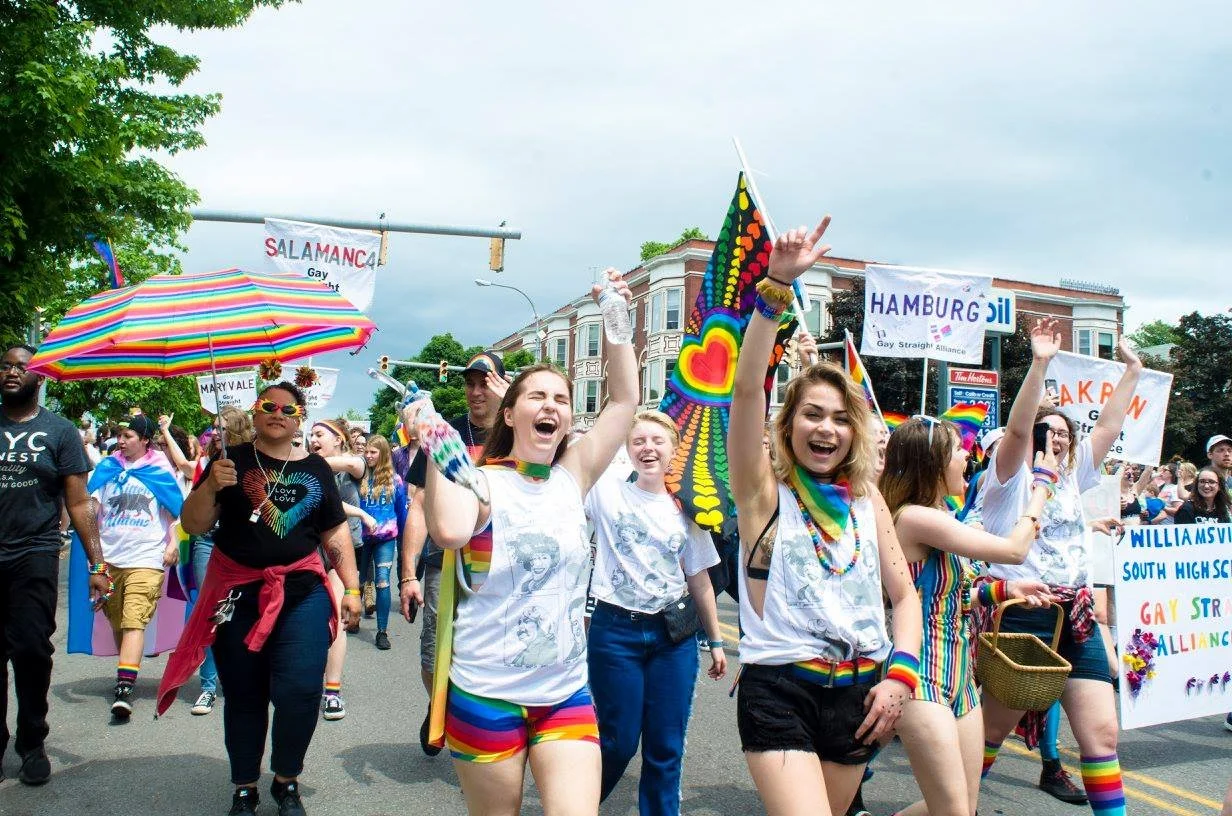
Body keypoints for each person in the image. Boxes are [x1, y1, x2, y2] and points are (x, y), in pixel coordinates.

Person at [414, 269, 637, 816]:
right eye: (537, 396)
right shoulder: (481, 480)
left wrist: (614, 315)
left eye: (561, 399)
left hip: (565, 692)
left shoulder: (574, 474)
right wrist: (439, 443)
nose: (553, 406)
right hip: (485, 693)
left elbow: (625, 398)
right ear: (509, 413)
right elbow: (449, 531)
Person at [727, 222, 922, 816]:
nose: (826, 429)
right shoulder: (763, 492)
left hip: (861, 694)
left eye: (840, 418)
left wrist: (900, 678)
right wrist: (777, 288)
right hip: (780, 690)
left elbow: (904, 597)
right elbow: (744, 393)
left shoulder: (867, 500)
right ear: (788, 426)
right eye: (812, 415)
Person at [163, 382, 362, 816]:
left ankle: (286, 780)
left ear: (299, 418)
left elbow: (334, 531)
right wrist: (210, 486)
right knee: (244, 695)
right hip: (237, 595)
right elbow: (194, 525)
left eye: (287, 409)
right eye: (268, 405)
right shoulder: (227, 461)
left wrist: (352, 587)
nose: (277, 413)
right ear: (254, 414)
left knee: (300, 691)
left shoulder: (317, 469)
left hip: (302, 595)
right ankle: (244, 787)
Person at [977, 317, 1142, 816]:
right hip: (1025, 613)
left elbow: (1110, 424)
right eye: (1048, 432)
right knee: (992, 731)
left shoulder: (1074, 477)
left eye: (1066, 433)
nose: (1058, 439)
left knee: (1101, 734)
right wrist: (1040, 364)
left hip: (1077, 615)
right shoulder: (1009, 478)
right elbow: (1023, 424)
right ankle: (955, 801)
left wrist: (1132, 371)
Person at [880, 416, 1056, 816]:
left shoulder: (942, 514)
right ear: (933, 462)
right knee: (955, 811)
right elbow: (1014, 551)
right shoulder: (913, 517)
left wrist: (1004, 590)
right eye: (959, 451)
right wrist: (1042, 485)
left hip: (960, 676)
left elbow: (953, 596)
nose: (968, 457)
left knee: (963, 805)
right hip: (920, 677)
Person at [585, 410, 727, 815]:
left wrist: (715, 640)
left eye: (657, 440)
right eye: (638, 441)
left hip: (672, 638)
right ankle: (575, 801)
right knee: (619, 740)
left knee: (666, 746)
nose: (648, 448)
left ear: (673, 448)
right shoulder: (606, 492)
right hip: (615, 633)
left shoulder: (688, 509)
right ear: (628, 450)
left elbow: (699, 578)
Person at [0, 344, 109, 785]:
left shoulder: (59, 431)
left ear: (38, 377)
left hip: (34, 554)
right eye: (4, 365)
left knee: (30, 650)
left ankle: (32, 740)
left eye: (20, 367)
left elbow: (79, 503)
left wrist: (97, 565)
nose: (10, 372)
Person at [401, 349, 509, 756]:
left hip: (500, 565)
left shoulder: (518, 435)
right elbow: (418, 503)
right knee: (434, 648)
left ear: (501, 383)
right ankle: (438, 701)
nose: (477, 390)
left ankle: (473, 718)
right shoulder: (445, 434)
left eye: (486, 381)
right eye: (470, 383)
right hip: (443, 561)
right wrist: (408, 574)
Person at [86, 413, 183, 719]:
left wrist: (173, 544)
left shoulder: (159, 469)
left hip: (147, 557)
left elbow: (178, 511)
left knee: (133, 621)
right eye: (120, 435)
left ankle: (124, 689)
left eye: (128, 436)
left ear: (144, 440)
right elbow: (91, 509)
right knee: (117, 621)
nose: (121, 441)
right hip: (110, 559)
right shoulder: (107, 468)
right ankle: (127, 671)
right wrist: (94, 560)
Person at [308, 417, 366, 721]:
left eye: (319, 434)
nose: (312, 439)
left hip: (343, 554)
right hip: (310, 549)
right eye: (310, 435)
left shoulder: (353, 465)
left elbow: (355, 465)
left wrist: (310, 463)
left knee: (338, 618)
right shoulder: (308, 469)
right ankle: (305, 683)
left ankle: (332, 691)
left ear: (338, 439)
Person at [358, 435, 407, 650]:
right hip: (360, 539)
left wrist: (405, 547)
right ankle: (353, 619)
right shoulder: (357, 476)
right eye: (366, 451)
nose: (368, 455)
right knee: (356, 581)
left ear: (383, 454)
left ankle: (382, 632)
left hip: (386, 540)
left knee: (382, 581)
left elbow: (401, 515)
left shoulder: (395, 481)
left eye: (373, 452)